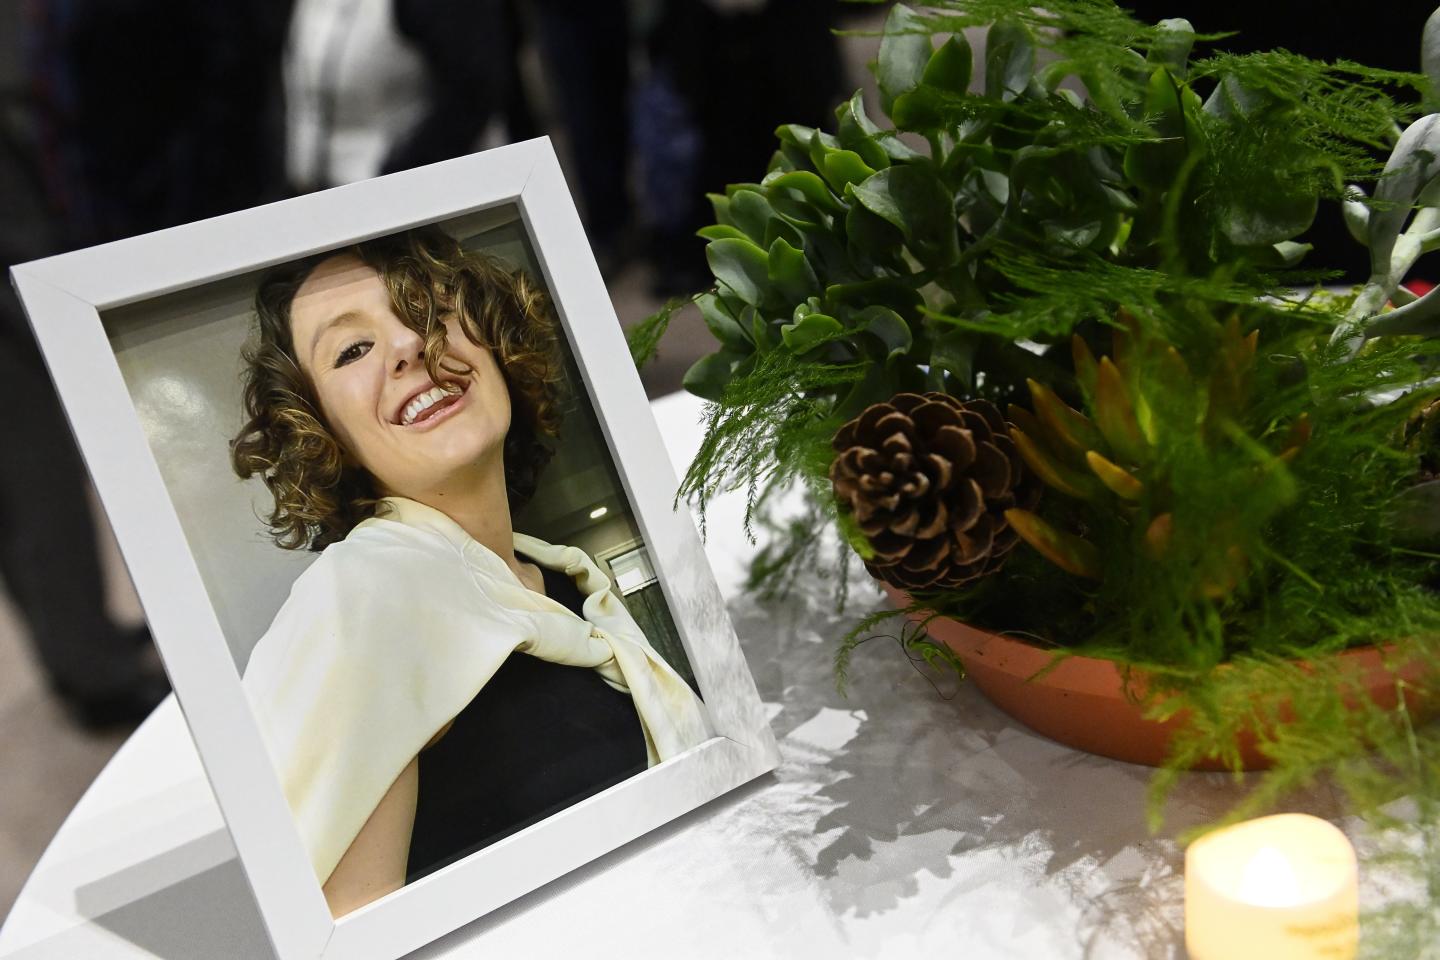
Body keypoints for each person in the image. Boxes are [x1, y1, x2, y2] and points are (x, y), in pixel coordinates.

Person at [230, 227, 711, 917]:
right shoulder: (361, 600)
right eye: (353, 349)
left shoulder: (570, 588)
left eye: (427, 309)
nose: (408, 346)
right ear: (319, 429)